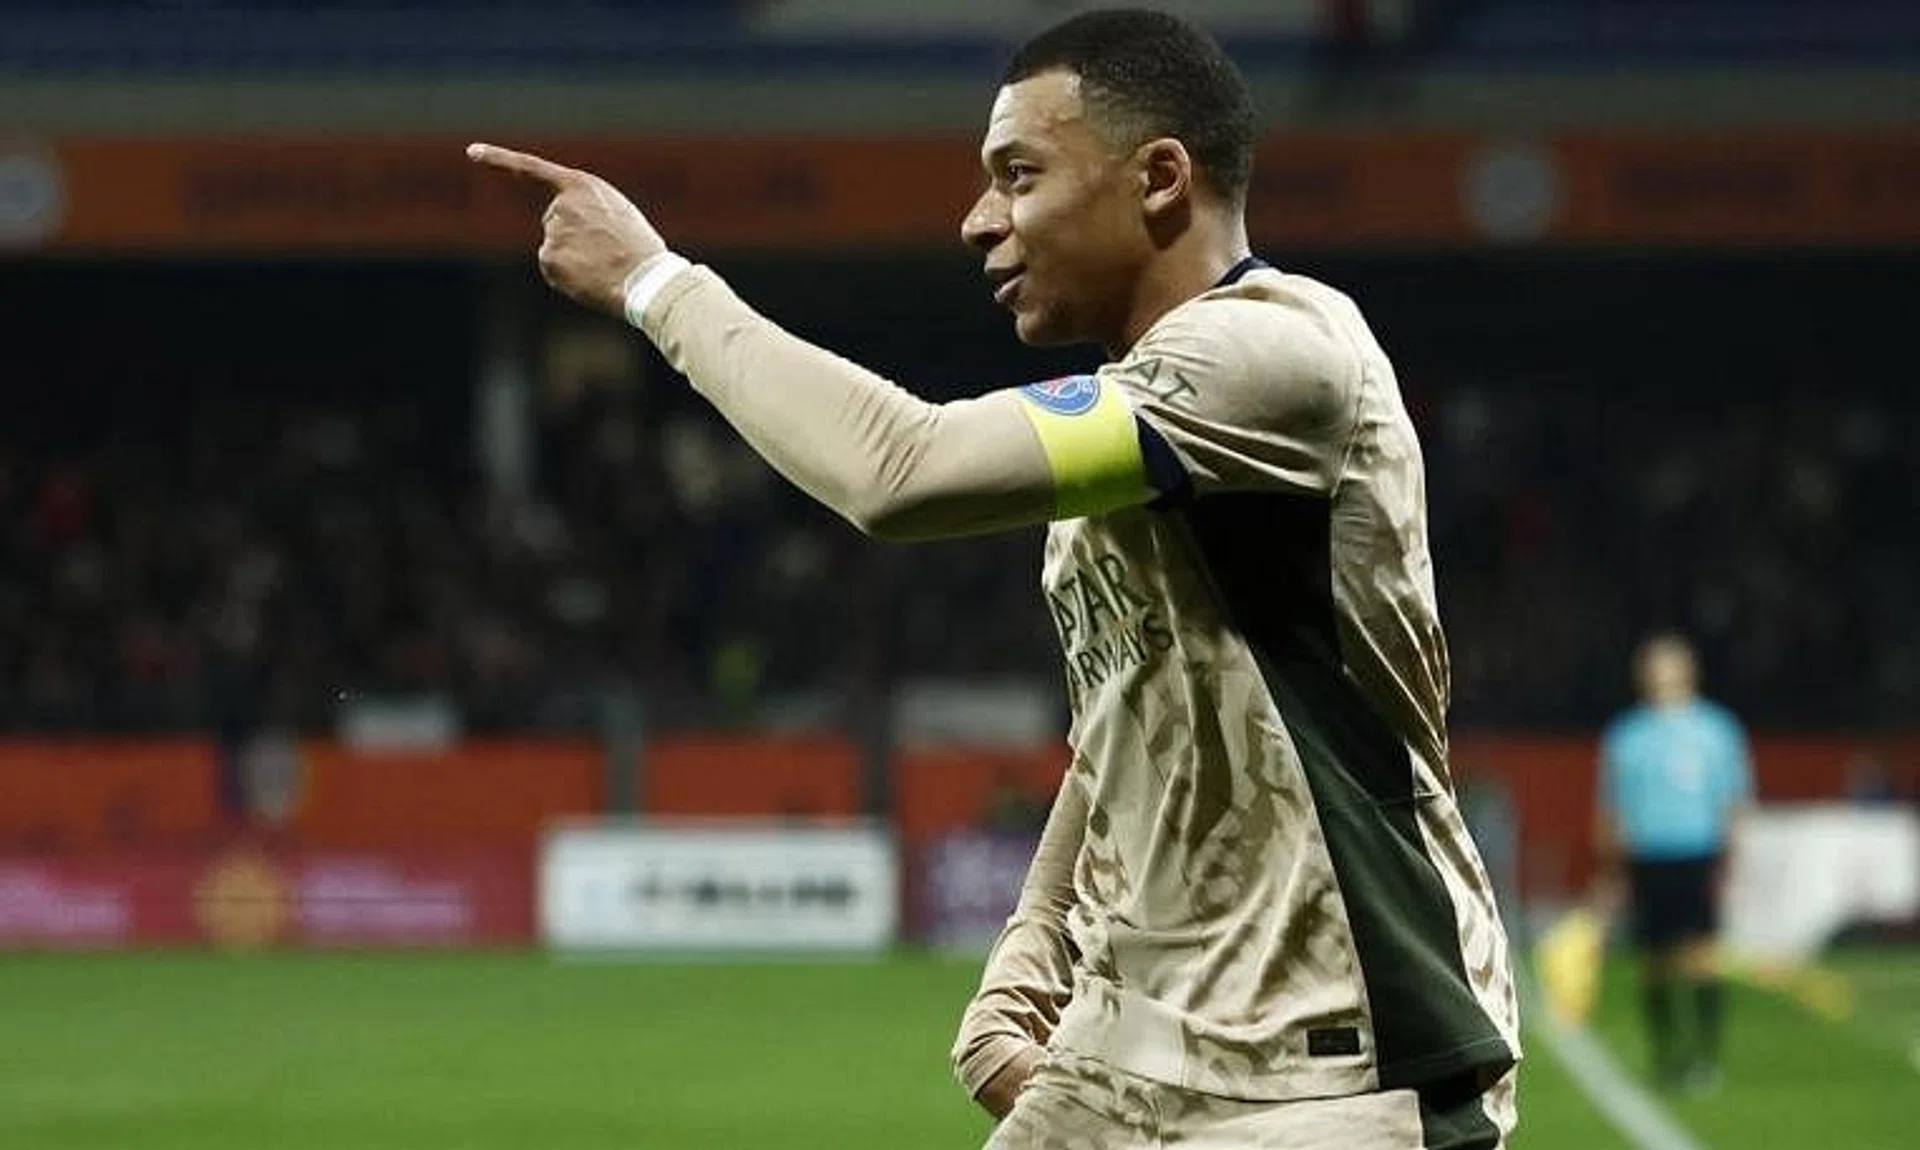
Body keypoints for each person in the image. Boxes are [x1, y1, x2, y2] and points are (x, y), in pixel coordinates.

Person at [470, 7, 1519, 1146]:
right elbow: (1125, 724)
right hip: (1137, 1052)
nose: (978, 220)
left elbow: (901, 471)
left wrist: (654, 283)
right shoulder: (1126, 447)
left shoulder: (1278, 353)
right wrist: (1030, 952)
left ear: (1160, 178)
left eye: (1019, 175)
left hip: (1334, 1069)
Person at [1594, 634, 1753, 1093]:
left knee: (1702, 957)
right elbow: (1613, 808)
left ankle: (1704, 1056)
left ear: (1688, 671)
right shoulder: (1627, 735)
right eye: (1653, 666)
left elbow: (1733, 800)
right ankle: (1666, 1056)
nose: (1660, 675)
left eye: (1668, 665)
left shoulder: (1716, 729)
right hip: (1647, 858)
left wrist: (1732, 858)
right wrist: (1612, 870)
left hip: (1698, 854)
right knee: (1655, 962)